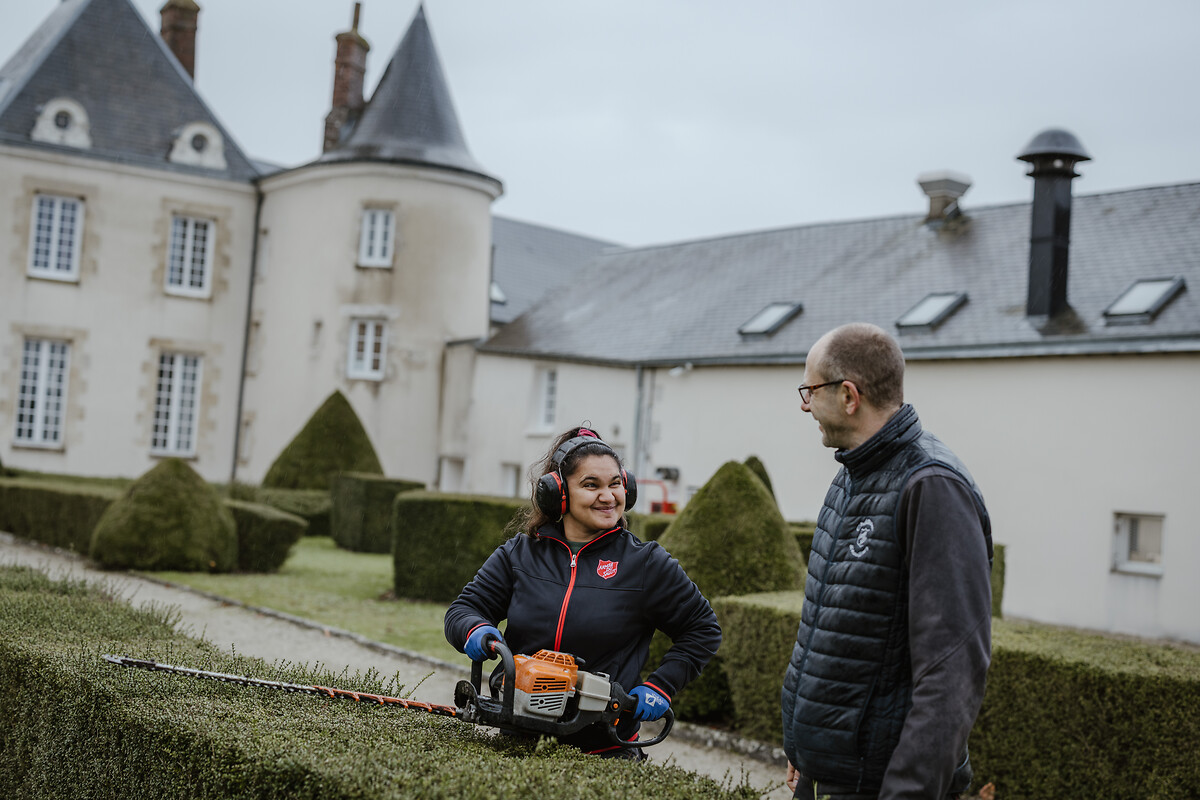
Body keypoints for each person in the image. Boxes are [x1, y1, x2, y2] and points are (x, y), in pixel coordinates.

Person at [781, 323, 992, 800]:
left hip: (878, 787)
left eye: (809, 390)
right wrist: (807, 745)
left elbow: (952, 669)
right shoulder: (852, 473)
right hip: (828, 778)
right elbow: (832, 628)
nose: (803, 404)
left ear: (849, 395)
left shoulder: (932, 487)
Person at [444, 425, 721, 758]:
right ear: (558, 493)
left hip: (603, 750)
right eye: (591, 485)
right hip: (514, 740)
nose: (607, 496)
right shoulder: (519, 554)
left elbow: (702, 630)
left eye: (615, 484)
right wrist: (475, 630)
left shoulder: (647, 563)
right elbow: (463, 609)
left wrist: (661, 685)